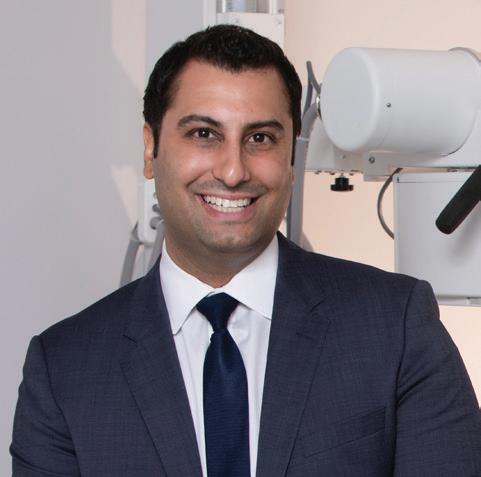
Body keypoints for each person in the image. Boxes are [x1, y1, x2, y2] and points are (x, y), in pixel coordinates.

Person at [11, 24, 481, 477]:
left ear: (291, 157)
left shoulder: (393, 328)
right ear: (150, 149)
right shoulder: (65, 369)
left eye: (260, 138)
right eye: (203, 134)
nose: (233, 171)